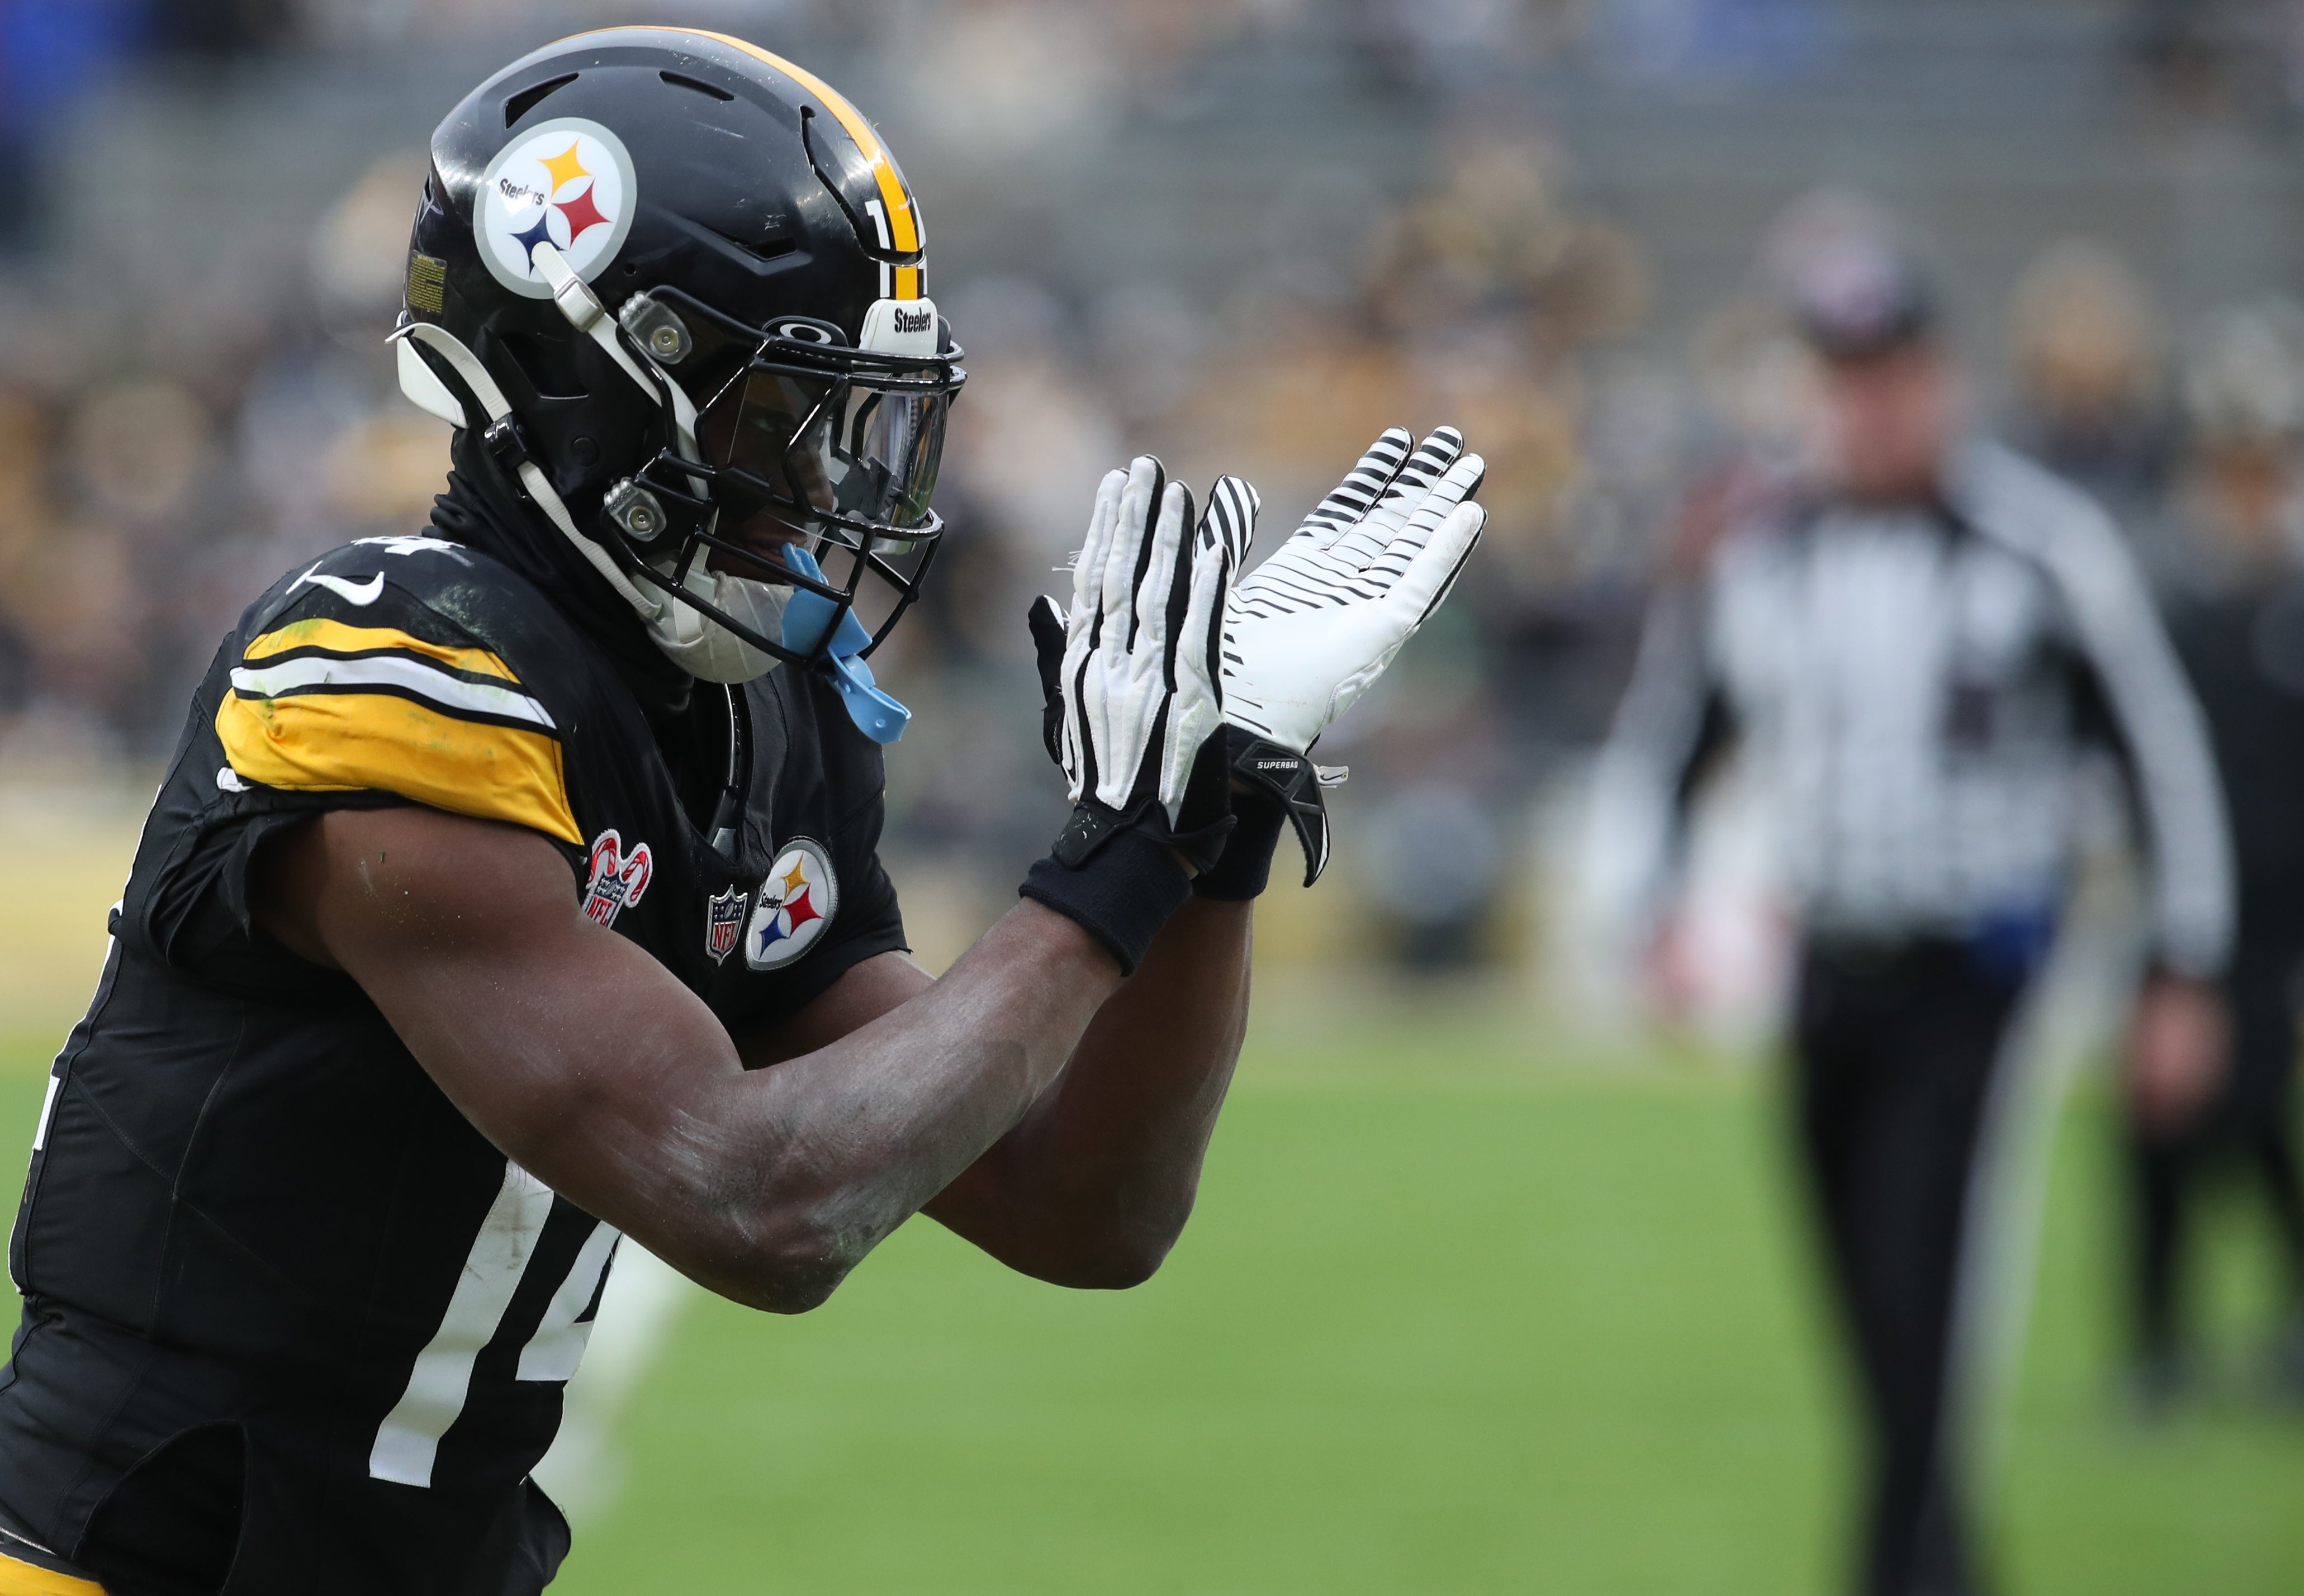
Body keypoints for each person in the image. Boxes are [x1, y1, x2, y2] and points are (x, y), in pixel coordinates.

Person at [0, 30, 1488, 1594]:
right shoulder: (395, 666)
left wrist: (1207, 822)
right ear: (591, 381)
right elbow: (760, 1203)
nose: (825, 484)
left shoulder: (756, 714)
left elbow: (1079, 1207)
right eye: (777, 413)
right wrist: (1113, 852)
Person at [1590, 209, 2232, 1596]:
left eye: (1889, 374)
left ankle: (1903, 1566)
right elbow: (1677, 735)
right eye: (1841, 377)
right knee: (1864, 1307)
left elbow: (2161, 759)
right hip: (1828, 971)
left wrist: (2185, 971)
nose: (1867, 407)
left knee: (1929, 1301)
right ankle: (1936, 1558)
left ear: (1942, 376)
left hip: (1975, 978)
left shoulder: (2039, 545)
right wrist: (1653, 906)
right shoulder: (1759, 549)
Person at [2127, 299, 2304, 1410]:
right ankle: (2157, 1341)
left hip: (2276, 917)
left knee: (2248, 1113)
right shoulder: (2169, 606)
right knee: (2158, 1123)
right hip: (2175, 911)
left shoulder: (2289, 611)